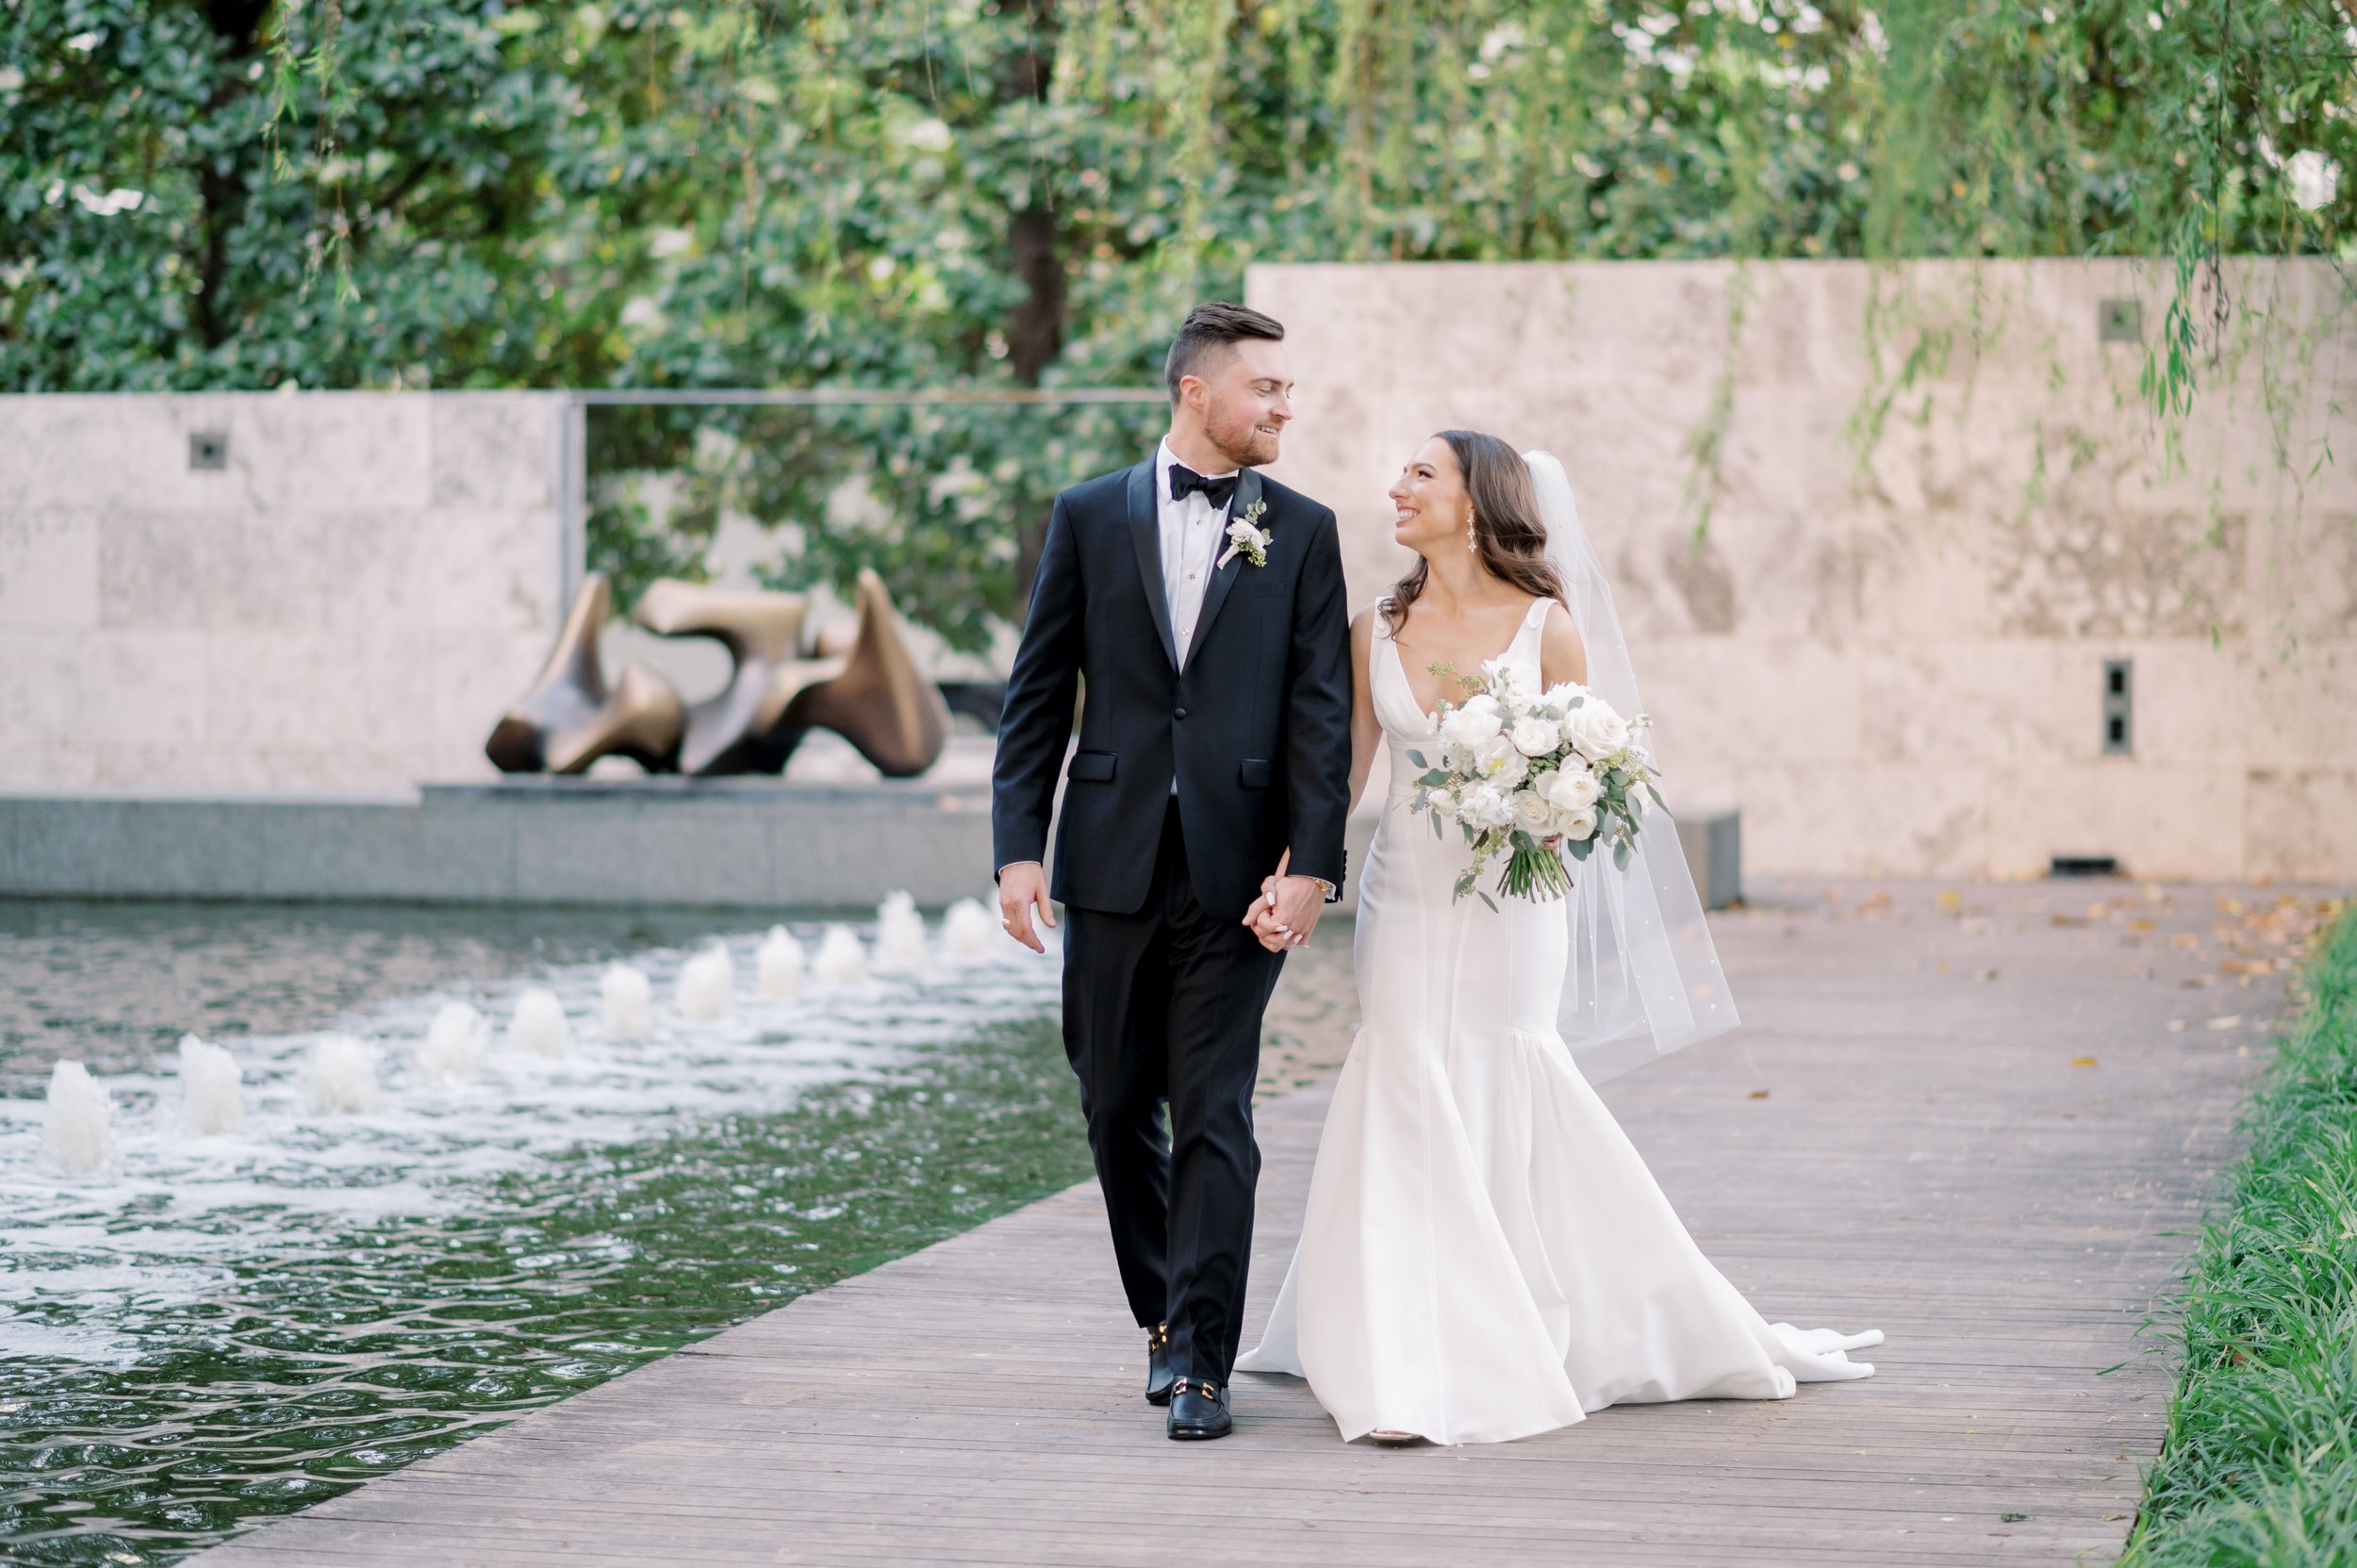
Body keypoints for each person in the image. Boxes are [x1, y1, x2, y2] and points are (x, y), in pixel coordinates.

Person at [1234, 430, 1881, 1444]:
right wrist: (1298, 875)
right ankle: (1401, 1341)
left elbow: (1596, 778)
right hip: (1407, 898)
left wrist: (1535, 800)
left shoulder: (1549, 628)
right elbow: (1341, 776)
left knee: (1504, 1068)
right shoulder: (1374, 627)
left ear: (1476, 501)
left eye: (1420, 474)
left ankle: (1515, 1313)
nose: (1394, 486)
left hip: (1514, 900)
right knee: (1402, 1069)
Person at [992, 302, 1353, 1441]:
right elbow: (1039, 693)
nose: (1284, 405)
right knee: (1111, 1103)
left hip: (1238, 872)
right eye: (1266, 388)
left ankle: (1203, 1359)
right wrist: (1016, 847)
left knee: (1213, 1110)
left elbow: (1321, 716)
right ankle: (1162, 1312)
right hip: (1106, 861)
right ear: (1196, 392)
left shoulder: (1301, 529)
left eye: (1288, 390)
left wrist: (1313, 865)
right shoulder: (1089, 515)